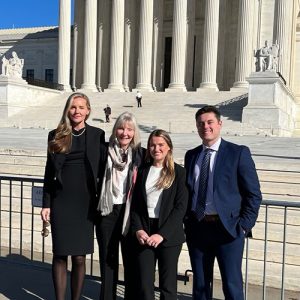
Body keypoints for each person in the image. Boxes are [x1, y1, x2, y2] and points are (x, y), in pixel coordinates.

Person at [184, 105, 262, 300]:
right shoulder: (191, 155)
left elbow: (253, 194)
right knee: (200, 286)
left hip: (228, 228)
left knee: (231, 284)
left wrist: (244, 226)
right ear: (196, 126)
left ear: (220, 124)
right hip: (198, 227)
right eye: (201, 123)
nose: (205, 127)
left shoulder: (238, 153)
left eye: (210, 122)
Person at [40, 92, 105, 300]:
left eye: (81, 107)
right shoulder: (55, 135)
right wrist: (46, 203)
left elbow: (108, 163)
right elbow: (49, 172)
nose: (77, 111)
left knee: (79, 257)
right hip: (61, 201)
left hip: (86, 203)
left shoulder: (97, 135)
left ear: (88, 111)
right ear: (68, 110)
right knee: (60, 255)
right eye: (73, 107)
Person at [131, 129, 188, 300]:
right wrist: (138, 229)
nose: (156, 149)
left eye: (161, 145)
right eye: (152, 145)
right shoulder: (142, 171)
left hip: (168, 234)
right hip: (145, 231)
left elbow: (180, 207)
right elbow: (134, 205)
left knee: (168, 285)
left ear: (169, 147)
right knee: (145, 283)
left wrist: (161, 234)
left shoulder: (179, 172)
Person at [95, 112, 145, 300]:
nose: (125, 133)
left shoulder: (141, 154)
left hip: (129, 213)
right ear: (115, 129)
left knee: (131, 260)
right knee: (108, 261)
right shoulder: (103, 150)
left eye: (129, 129)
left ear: (134, 132)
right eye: (121, 128)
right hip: (107, 211)